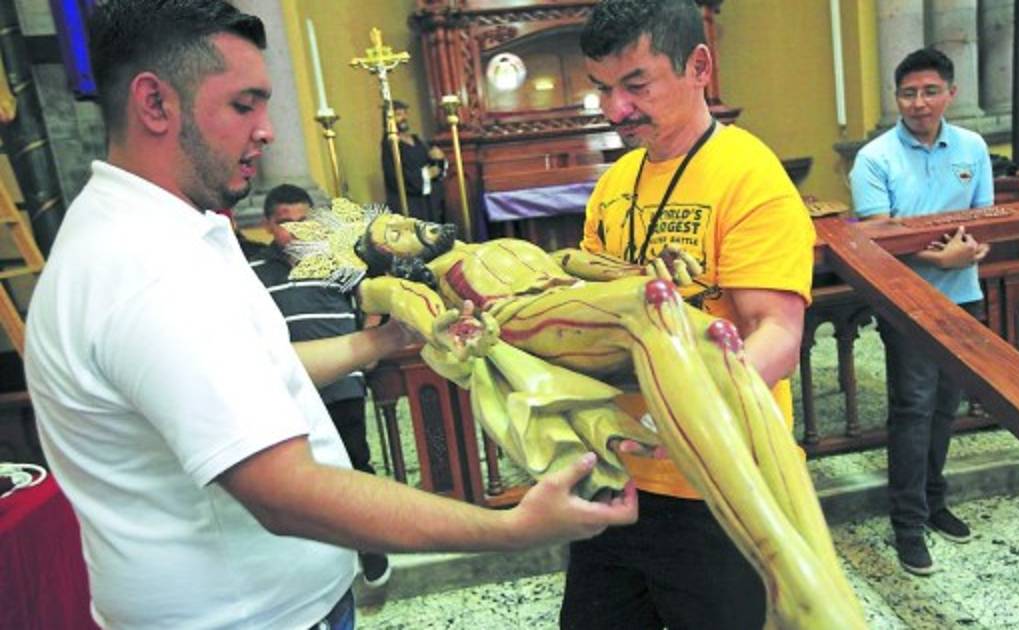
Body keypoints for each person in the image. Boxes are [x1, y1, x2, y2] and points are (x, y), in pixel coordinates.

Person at [21, 2, 637, 628]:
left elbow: (255, 371)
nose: (267, 131)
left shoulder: (158, 232)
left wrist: (384, 341)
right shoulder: (147, 270)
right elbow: (286, 493)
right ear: (155, 104)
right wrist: (511, 528)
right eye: (243, 105)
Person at [555, 1, 815, 627]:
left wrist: (678, 411)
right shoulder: (615, 183)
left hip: (717, 486)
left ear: (699, 66)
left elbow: (778, 335)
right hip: (617, 478)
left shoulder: (748, 176)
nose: (615, 110)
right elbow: (589, 310)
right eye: (602, 89)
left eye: (635, 84)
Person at [849, 47, 994, 576]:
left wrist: (970, 251)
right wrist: (942, 257)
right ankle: (907, 525)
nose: (919, 102)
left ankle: (935, 502)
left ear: (950, 94)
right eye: (908, 93)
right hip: (905, 301)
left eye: (930, 91)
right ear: (897, 98)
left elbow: (986, 218)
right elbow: (877, 237)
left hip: (963, 296)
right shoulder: (875, 157)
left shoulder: (973, 147)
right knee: (912, 409)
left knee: (945, 406)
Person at [249, 183, 391, 588]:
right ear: (268, 225)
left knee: (354, 462)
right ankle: (322, 553)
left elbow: (374, 299)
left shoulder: (338, 260)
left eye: (304, 221)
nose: (296, 230)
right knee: (302, 472)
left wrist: (369, 344)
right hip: (288, 386)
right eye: (285, 222)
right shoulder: (253, 272)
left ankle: (370, 546)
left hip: (343, 381)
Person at [380, 99, 447, 222]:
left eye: (405, 113)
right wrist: (426, 174)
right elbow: (395, 176)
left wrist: (439, 159)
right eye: (399, 115)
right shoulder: (390, 144)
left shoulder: (416, 139)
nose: (404, 118)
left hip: (428, 201)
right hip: (409, 204)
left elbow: (433, 163)